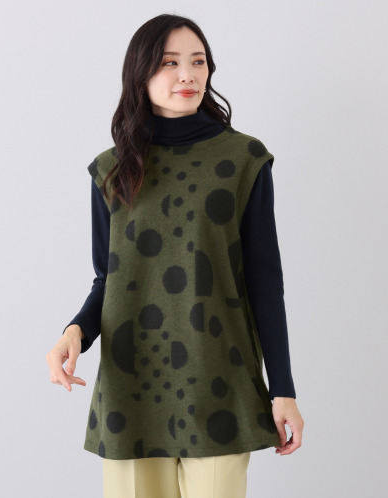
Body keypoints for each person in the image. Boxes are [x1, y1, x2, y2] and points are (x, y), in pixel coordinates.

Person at [46, 13, 304, 498]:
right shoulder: (112, 170)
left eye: (198, 62)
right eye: (169, 63)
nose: (187, 74)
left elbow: (265, 283)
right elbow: (109, 279)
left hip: (219, 380)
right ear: (140, 74)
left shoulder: (243, 160)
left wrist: (283, 388)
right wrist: (75, 330)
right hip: (131, 386)